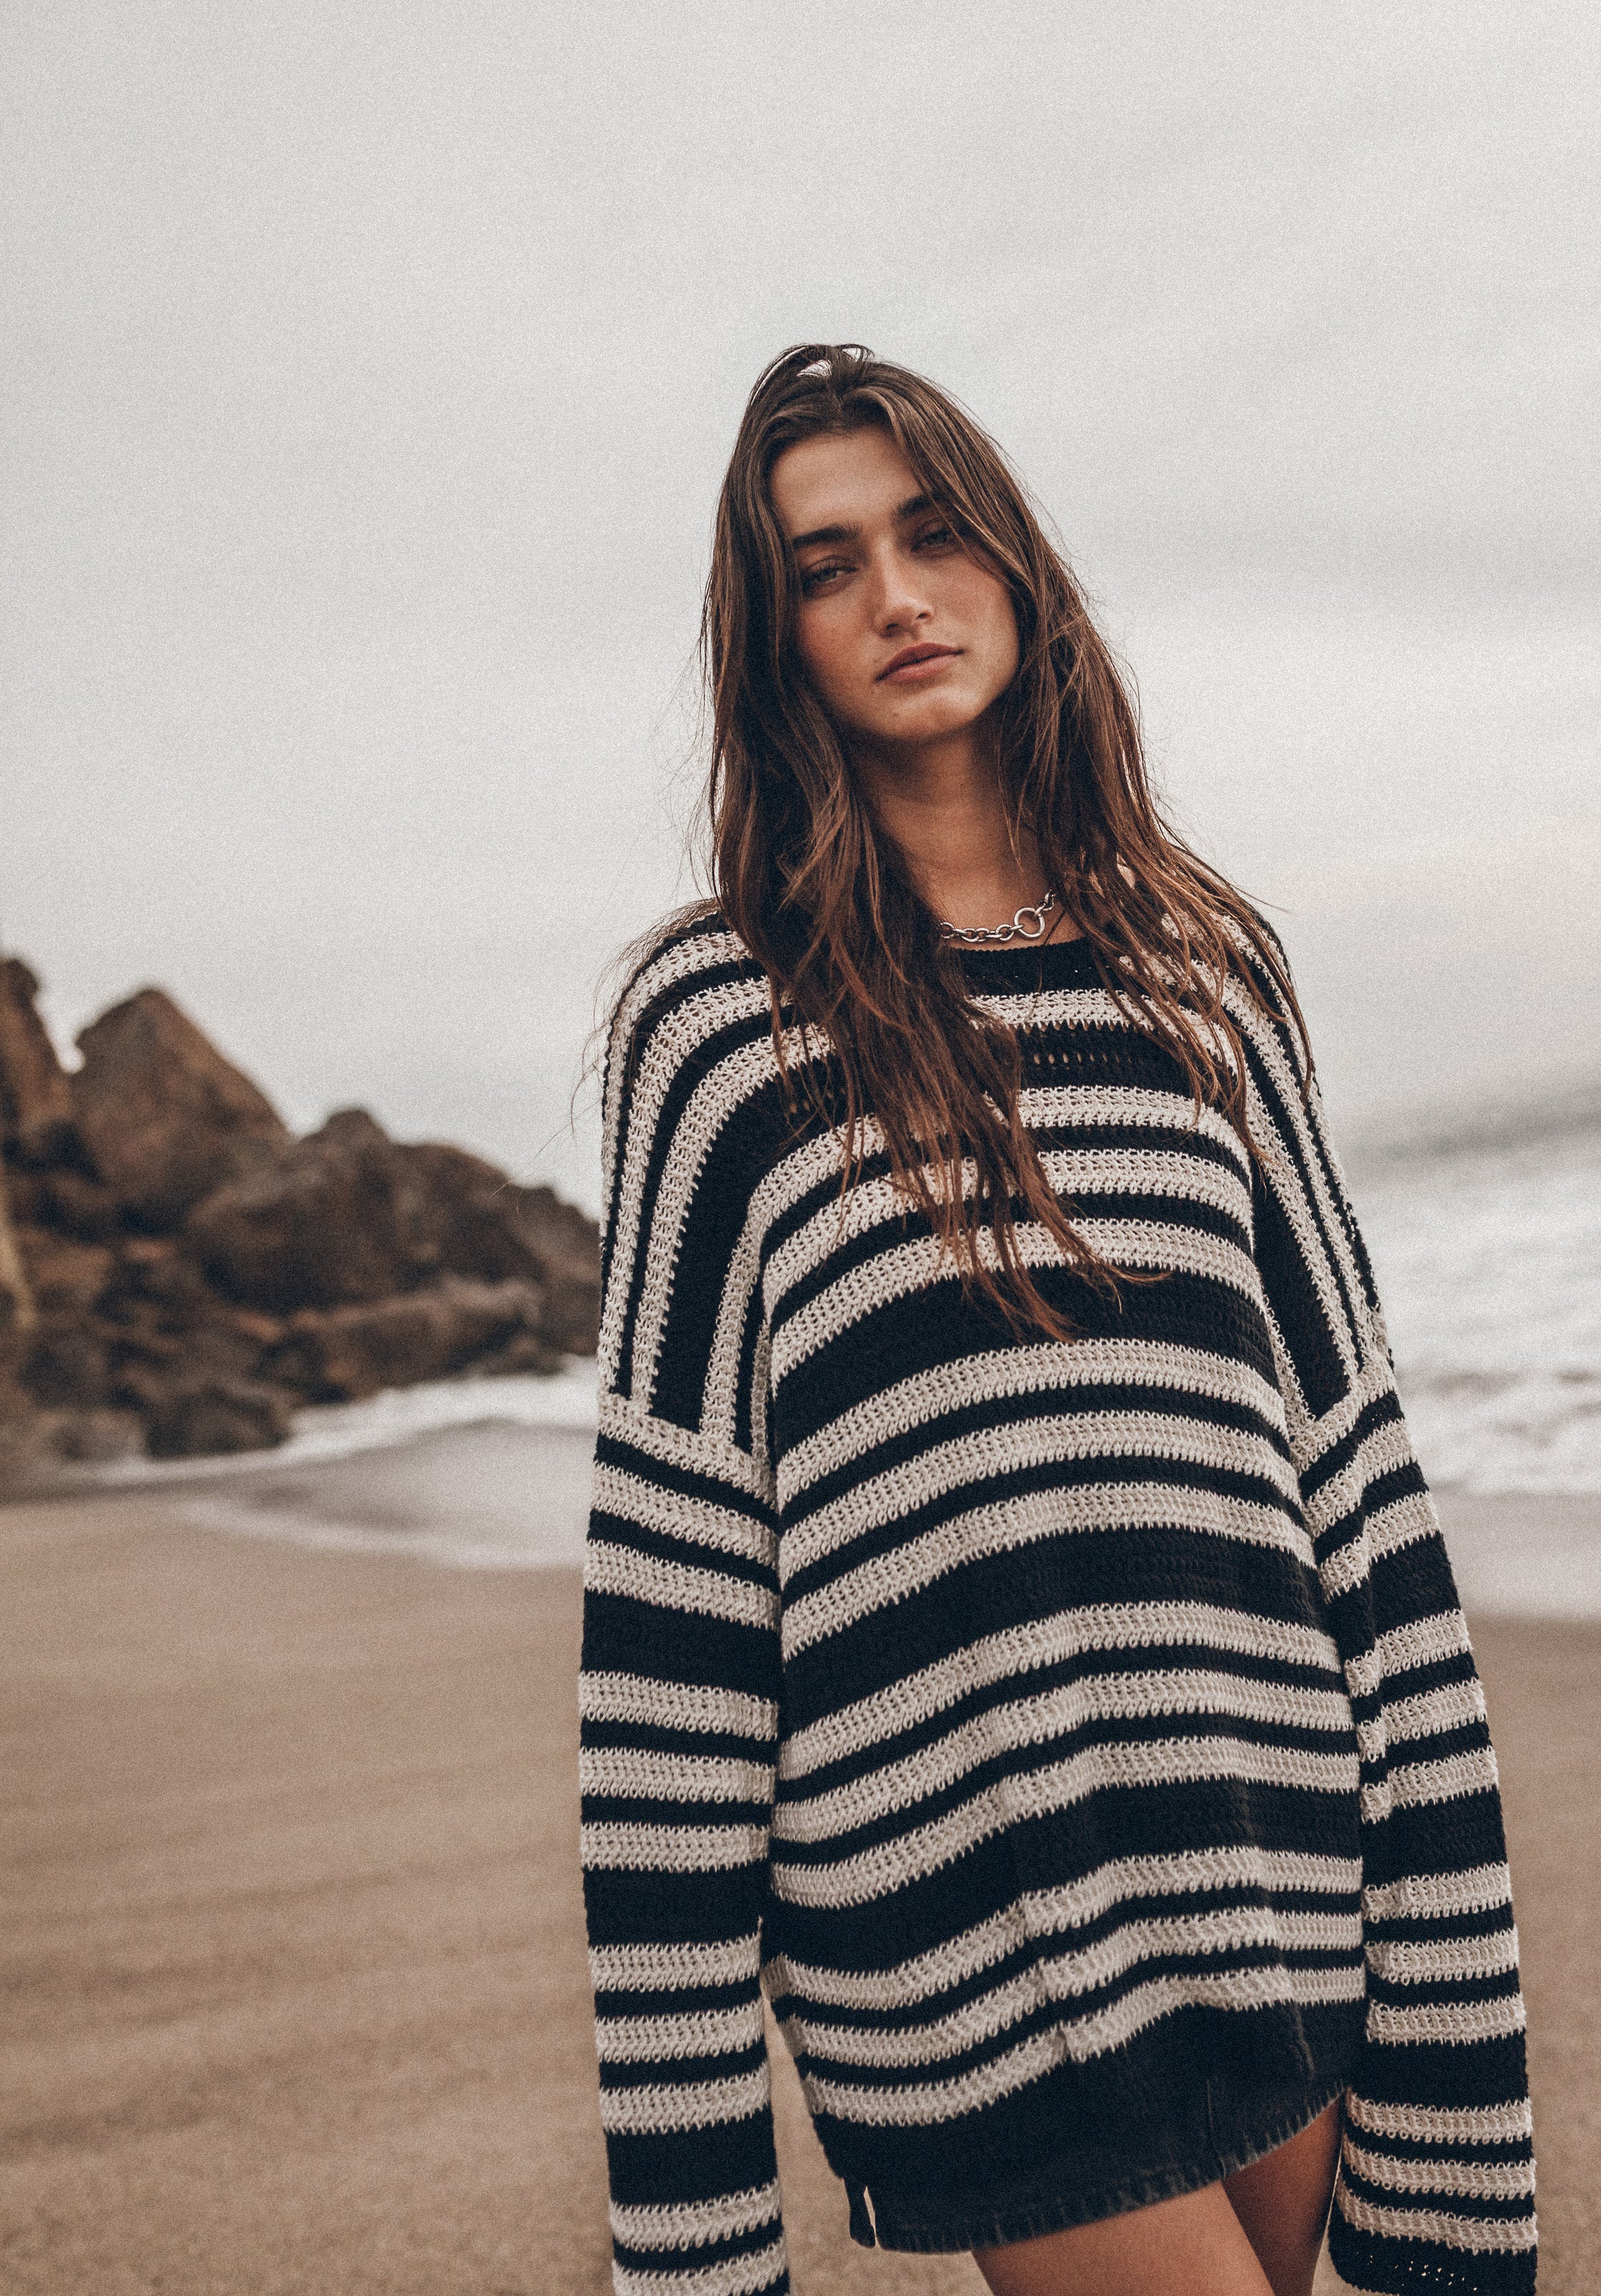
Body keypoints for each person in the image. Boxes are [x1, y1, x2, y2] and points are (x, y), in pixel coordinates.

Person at [580, 344, 1536, 2296]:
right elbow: (671, 1637)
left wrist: (1457, 2018)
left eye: (932, 538)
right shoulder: (716, 1030)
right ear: (777, 644)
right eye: (826, 566)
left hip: (1281, 1873)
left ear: (1018, 568)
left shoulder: (1208, 974)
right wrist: (693, 2237)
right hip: (966, 1937)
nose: (898, 600)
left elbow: (1357, 1494)